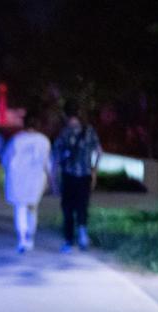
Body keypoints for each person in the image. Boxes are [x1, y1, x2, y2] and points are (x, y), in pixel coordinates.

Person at [52, 100, 102, 252]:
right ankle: (83, 235)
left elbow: (57, 157)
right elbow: (99, 151)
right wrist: (94, 169)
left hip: (69, 176)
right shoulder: (89, 130)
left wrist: (53, 178)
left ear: (66, 114)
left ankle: (68, 241)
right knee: (83, 205)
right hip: (85, 174)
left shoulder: (64, 133)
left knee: (68, 208)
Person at [1, 112, 51, 252]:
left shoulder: (17, 140)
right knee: (33, 207)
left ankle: (22, 238)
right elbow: (47, 162)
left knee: (20, 207)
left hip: (19, 178)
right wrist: (50, 179)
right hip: (37, 178)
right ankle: (30, 237)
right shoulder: (43, 140)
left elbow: (6, 159)